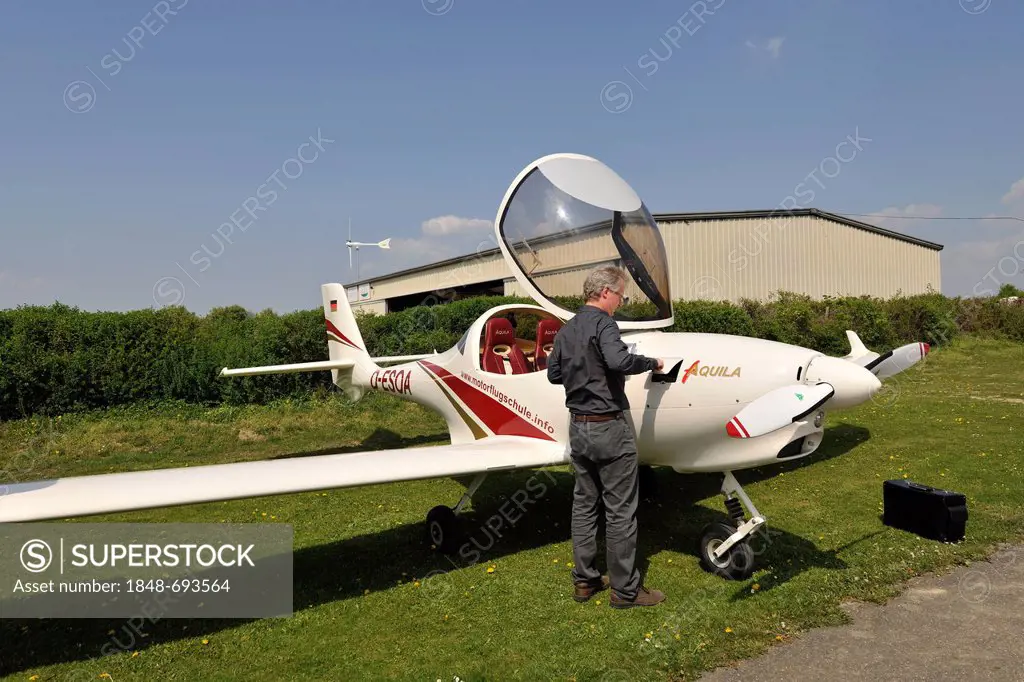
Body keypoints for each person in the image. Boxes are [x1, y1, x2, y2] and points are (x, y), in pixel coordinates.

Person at [545, 265, 667, 608]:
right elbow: (618, 360)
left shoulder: (567, 329)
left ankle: (584, 582)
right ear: (605, 293)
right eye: (621, 295)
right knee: (620, 510)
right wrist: (649, 362)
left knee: (584, 505)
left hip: (578, 427)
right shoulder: (603, 323)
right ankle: (625, 590)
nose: (621, 301)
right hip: (609, 426)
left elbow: (555, 374)